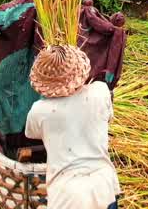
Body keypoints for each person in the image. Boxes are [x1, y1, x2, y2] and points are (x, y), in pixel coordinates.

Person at [26, 45, 121, 209]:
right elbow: (107, 118)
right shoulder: (100, 91)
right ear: (80, 70)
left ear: (43, 83)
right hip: (103, 188)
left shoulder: (39, 111)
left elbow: (31, 133)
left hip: (67, 196)